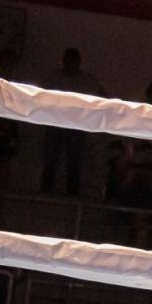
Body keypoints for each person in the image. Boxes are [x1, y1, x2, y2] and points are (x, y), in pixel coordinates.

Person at [38, 47, 105, 196]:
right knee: (51, 158)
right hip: (55, 124)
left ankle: (72, 194)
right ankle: (45, 192)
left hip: (76, 126)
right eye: (67, 61)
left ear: (78, 62)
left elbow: (102, 97)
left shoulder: (87, 81)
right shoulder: (54, 78)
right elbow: (39, 96)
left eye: (72, 61)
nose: (69, 64)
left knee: (74, 160)